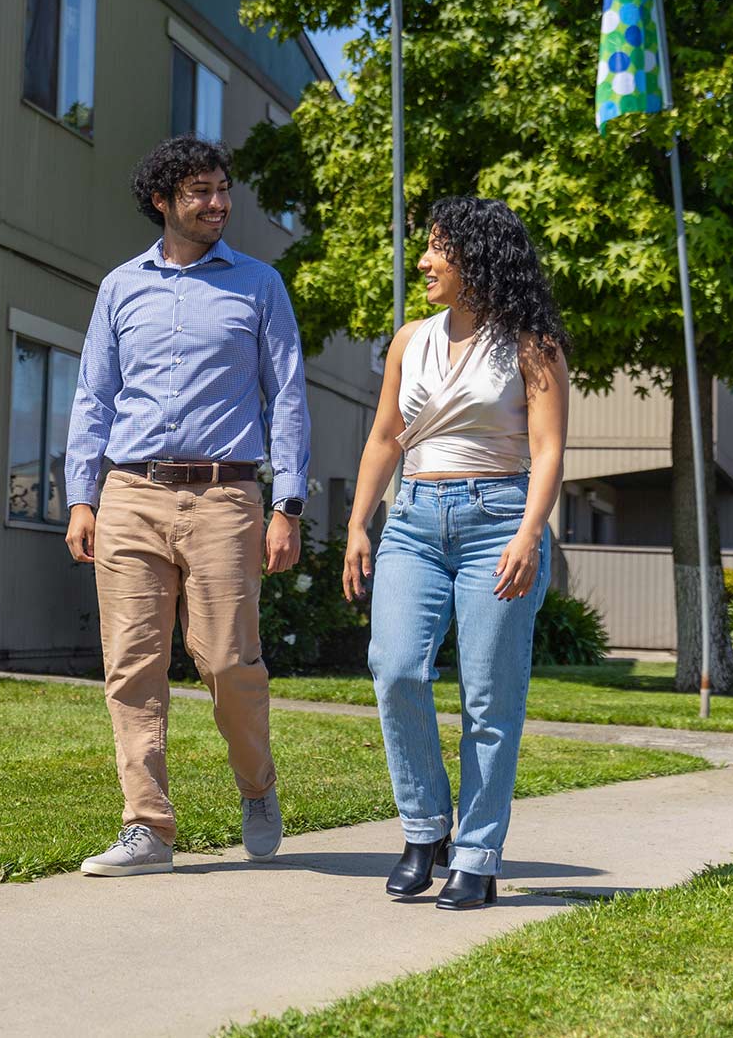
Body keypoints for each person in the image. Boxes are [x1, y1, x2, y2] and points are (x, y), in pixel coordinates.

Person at [65, 135, 311, 877]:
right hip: (130, 491)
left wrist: (288, 503)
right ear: (162, 202)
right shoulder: (120, 287)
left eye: (222, 189)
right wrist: (83, 496)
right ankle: (148, 826)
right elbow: (93, 396)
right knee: (132, 666)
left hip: (225, 495)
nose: (218, 203)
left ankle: (257, 787)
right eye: (200, 192)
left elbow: (289, 397)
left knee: (228, 659)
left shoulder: (260, 285)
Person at [342, 196, 569, 910]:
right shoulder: (410, 339)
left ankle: (476, 855)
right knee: (395, 667)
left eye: (439, 248)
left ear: (477, 256)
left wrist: (530, 533)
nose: (425, 262)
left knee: (488, 696)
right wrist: (358, 525)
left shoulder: (532, 344)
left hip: (499, 519)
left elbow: (549, 449)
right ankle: (424, 829)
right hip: (412, 519)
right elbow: (385, 437)